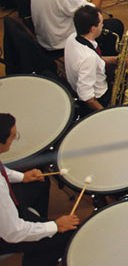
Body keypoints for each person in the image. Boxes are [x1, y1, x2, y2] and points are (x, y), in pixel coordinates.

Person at [0, 113, 79, 264]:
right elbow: (12, 232)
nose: (15, 139)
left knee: (40, 182)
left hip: (8, 215)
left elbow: (2, 170)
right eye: (13, 136)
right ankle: (38, 247)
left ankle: (37, 233)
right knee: (66, 235)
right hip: (5, 234)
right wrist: (55, 226)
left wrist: (22, 177)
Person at [65, 5, 128, 113]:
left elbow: (92, 60)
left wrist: (115, 59)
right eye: (101, 23)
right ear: (93, 29)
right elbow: (87, 97)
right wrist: (106, 113)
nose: (103, 25)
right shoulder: (89, 59)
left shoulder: (71, 38)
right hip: (102, 98)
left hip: (85, 82)